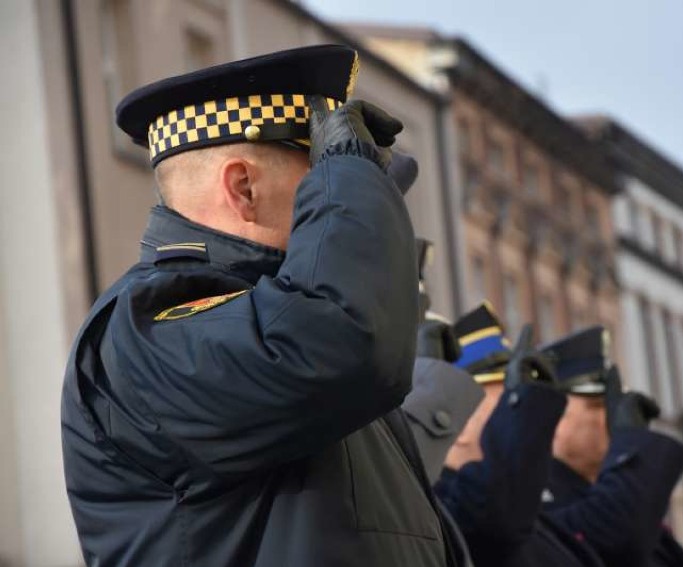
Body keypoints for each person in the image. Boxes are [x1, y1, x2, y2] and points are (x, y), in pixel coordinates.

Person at [61, 45, 456, 566]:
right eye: (317, 177)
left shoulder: (286, 319)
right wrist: (351, 177)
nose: (331, 198)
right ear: (243, 188)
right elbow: (345, 340)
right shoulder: (146, 333)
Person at [435, 304, 603, 567]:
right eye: (507, 397)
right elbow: (492, 521)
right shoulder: (444, 511)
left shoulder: (531, 517)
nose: (523, 414)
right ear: (460, 419)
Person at [542, 333, 683, 567]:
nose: (615, 419)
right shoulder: (531, 498)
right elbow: (616, 537)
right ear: (553, 416)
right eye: (598, 406)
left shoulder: (609, 494)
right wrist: (630, 447)